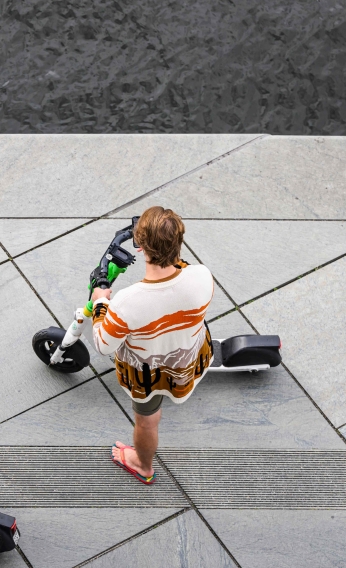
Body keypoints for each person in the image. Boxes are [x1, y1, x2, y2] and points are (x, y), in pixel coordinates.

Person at [91, 206, 214, 484]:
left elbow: (102, 344)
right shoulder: (202, 276)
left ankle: (143, 465)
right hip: (188, 359)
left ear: (140, 247)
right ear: (179, 243)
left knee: (147, 420)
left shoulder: (127, 302)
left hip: (149, 375)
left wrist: (100, 302)